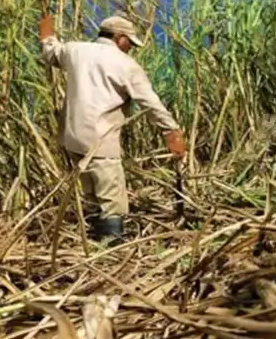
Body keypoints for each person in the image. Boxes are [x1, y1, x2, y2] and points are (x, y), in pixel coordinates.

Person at [38, 13, 186, 244]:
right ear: (119, 38)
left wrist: (47, 34)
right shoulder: (125, 64)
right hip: (101, 139)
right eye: (129, 42)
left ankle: (93, 240)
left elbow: (51, 53)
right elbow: (150, 103)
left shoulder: (75, 50)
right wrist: (171, 131)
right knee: (112, 200)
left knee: (91, 193)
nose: (131, 48)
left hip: (72, 138)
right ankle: (111, 245)